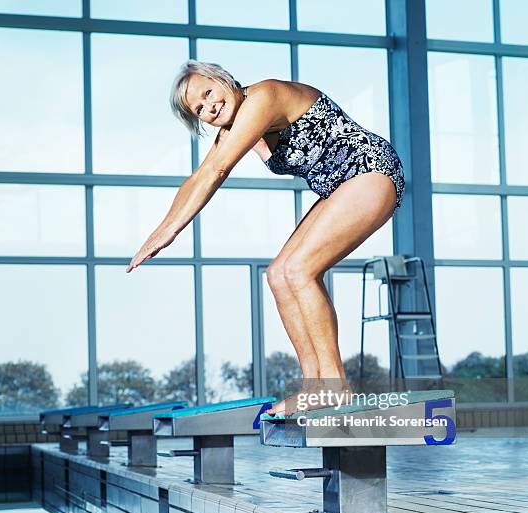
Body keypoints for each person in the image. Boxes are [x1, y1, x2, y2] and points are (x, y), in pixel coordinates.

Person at [126, 60, 405, 416]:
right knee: (279, 275)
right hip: (339, 186)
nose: (209, 108)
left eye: (208, 93)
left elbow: (217, 170)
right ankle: (314, 387)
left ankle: (335, 386)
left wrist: (171, 231)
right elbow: (198, 177)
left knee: (300, 270)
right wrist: (158, 229)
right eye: (199, 110)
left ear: (224, 80)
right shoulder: (234, 129)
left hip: (369, 170)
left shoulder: (264, 96)